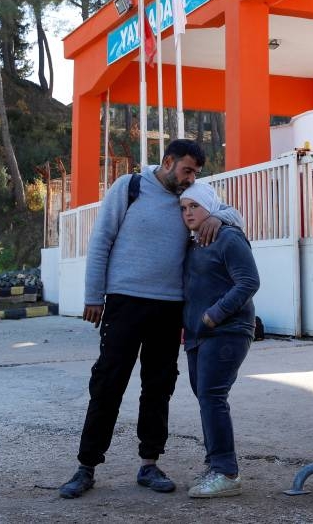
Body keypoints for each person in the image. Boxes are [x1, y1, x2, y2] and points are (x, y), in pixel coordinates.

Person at [59, 140, 242, 499]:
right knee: (108, 383)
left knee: (159, 387)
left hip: (169, 307)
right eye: (187, 170)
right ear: (168, 161)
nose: (190, 179)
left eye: (195, 174)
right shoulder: (128, 187)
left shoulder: (189, 195)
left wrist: (218, 217)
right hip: (124, 303)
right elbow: (101, 241)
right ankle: (86, 466)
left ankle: (149, 463)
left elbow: (232, 213)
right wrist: (94, 295)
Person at [179, 182, 259, 498]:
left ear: (209, 206)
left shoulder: (228, 237)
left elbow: (249, 281)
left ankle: (226, 472)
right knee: (206, 396)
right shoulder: (193, 241)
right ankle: (216, 465)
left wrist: (214, 314)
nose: (187, 213)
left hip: (228, 331)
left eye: (194, 207)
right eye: (183, 208)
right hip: (199, 335)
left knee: (212, 396)